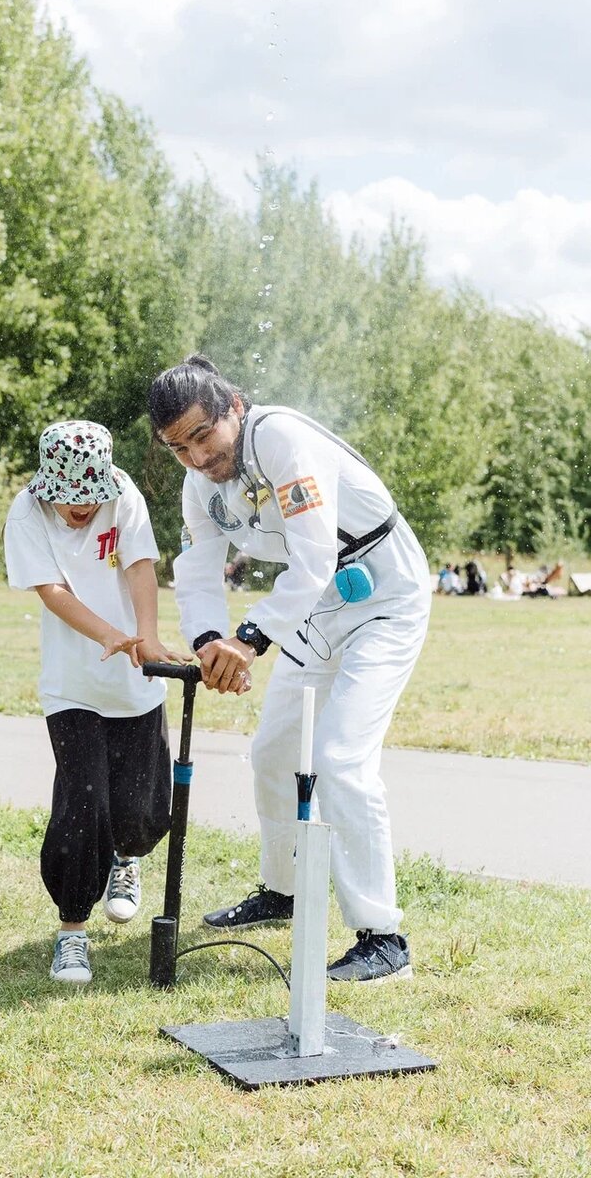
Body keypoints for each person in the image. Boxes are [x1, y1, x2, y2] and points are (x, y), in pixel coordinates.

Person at [148, 355, 431, 983]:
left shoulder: (281, 438)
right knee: (273, 751)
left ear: (235, 408)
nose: (195, 457)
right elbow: (195, 569)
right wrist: (209, 643)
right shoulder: (199, 485)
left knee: (339, 758)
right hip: (317, 606)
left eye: (202, 435)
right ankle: (284, 890)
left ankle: (384, 938)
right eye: (178, 447)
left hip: (383, 595)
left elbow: (312, 555)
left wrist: (248, 639)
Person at [4, 420, 183, 985]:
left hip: (134, 682)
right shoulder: (27, 512)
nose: (80, 509)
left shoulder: (123, 494)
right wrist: (108, 633)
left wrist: (146, 636)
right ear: (50, 485)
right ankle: (72, 933)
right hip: (71, 686)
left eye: (89, 498)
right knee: (83, 804)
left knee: (139, 811)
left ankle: (125, 860)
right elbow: (52, 590)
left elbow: (139, 566)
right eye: (69, 498)